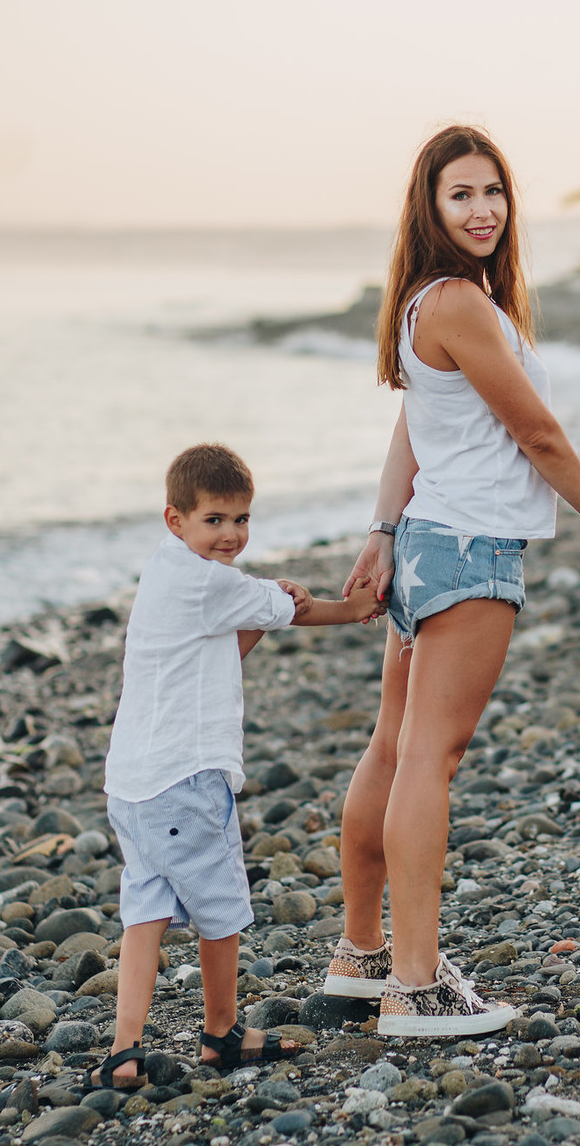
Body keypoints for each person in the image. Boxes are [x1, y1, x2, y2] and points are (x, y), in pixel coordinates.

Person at [323, 125, 580, 1036]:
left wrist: (385, 529)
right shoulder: (463, 306)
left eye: (494, 192)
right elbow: (538, 433)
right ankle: (417, 987)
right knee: (428, 758)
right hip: (470, 551)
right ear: (430, 208)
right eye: (461, 195)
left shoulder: (429, 301)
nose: (482, 210)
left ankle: (361, 959)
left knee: (393, 749)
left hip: (429, 541)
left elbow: (411, 430)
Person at [92, 443, 383, 1086]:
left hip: (132, 786)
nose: (231, 535)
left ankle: (124, 1050)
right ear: (177, 520)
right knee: (220, 911)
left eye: (242, 520)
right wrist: (354, 609)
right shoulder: (211, 581)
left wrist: (268, 602)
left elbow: (229, 646)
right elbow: (298, 613)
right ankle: (220, 1034)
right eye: (215, 520)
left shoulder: (165, 572)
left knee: (144, 912)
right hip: (186, 780)